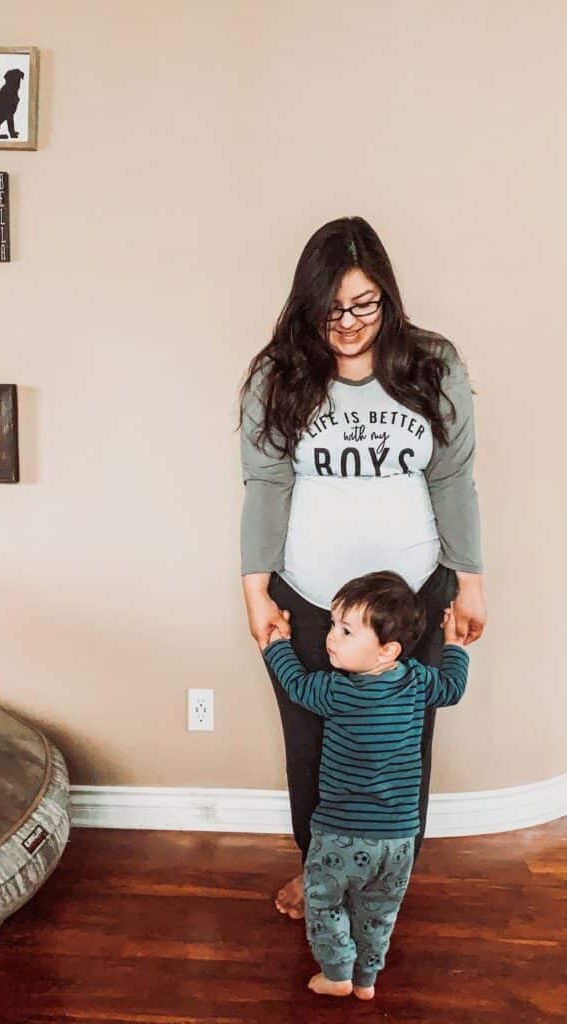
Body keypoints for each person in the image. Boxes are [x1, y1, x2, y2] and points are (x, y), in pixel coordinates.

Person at [239, 216, 486, 919]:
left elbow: (453, 481)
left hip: (409, 602)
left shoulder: (432, 365)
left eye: (364, 304)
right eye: (331, 308)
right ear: (306, 304)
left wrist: (470, 582)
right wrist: (255, 591)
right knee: (312, 751)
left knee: (399, 752)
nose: (347, 323)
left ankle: (383, 877)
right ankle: (317, 872)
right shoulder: (278, 373)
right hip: (312, 600)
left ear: (388, 296)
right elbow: (266, 484)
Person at [262, 570, 469, 999]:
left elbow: (296, 684)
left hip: (339, 835)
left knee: (324, 905)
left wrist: (277, 643)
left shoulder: (337, 691)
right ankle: (367, 980)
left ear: (386, 650)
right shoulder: (416, 682)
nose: (331, 638)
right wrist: (454, 644)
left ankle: (337, 974)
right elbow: (452, 688)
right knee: (379, 913)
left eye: (345, 630)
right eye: (334, 626)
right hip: (398, 840)